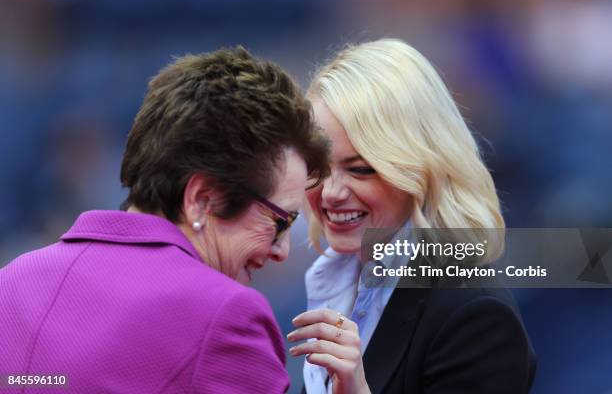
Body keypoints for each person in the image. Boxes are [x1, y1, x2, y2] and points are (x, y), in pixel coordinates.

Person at [0, 47, 329, 393]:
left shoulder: (10, 282)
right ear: (202, 200)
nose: (282, 251)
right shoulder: (226, 314)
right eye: (278, 221)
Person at [287, 39, 536, 393]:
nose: (330, 193)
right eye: (316, 169)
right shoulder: (334, 286)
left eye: (359, 169)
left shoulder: (476, 314)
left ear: (421, 169)